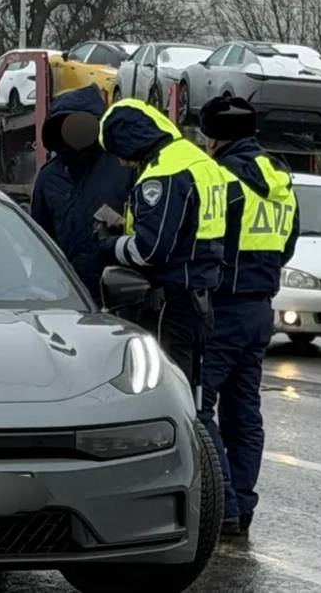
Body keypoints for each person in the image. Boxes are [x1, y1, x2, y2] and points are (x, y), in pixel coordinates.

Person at [198, 96, 300, 539]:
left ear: (215, 135)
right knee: (245, 414)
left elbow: (207, 240)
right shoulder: (280, 177)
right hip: (261, 305)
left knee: (199, 409)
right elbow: (289, 242)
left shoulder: (221, 177)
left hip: (222, 306)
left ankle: (225, 506)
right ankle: (243, 502)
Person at [96, 98, 228, 397]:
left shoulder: (162, 172)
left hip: (170, 305)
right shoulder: (198, 161)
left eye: (117, 151)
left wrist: (110, 244)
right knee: (192, 394)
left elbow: (150, 251)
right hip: (201, 298)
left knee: (164, 395)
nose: (120, 162)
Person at [30, 85, 133, 304]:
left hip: (116, 291)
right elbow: (39, 238)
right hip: (63, 292)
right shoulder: (49, 177)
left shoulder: (123, 167)